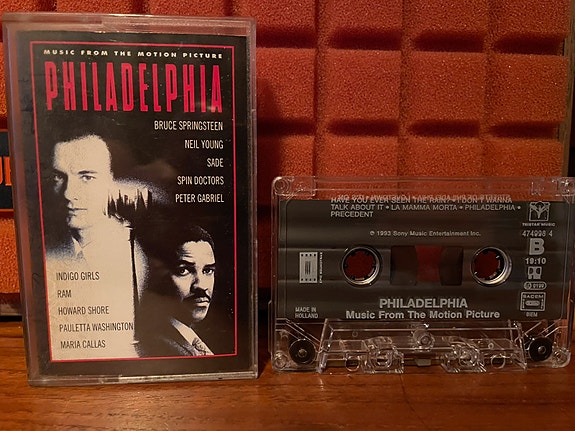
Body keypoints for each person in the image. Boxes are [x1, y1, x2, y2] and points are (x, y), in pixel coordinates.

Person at [44, 133, 142, 359]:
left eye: (86, 177)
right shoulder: (45, 255)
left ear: (112, 181)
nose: (69, 193)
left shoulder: (138, 257)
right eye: (59, 177)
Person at [135, 223, 217, 357]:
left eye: (207, 271)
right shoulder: (159, 347)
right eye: (183, 270)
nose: (201, 285)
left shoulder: (190, 339)